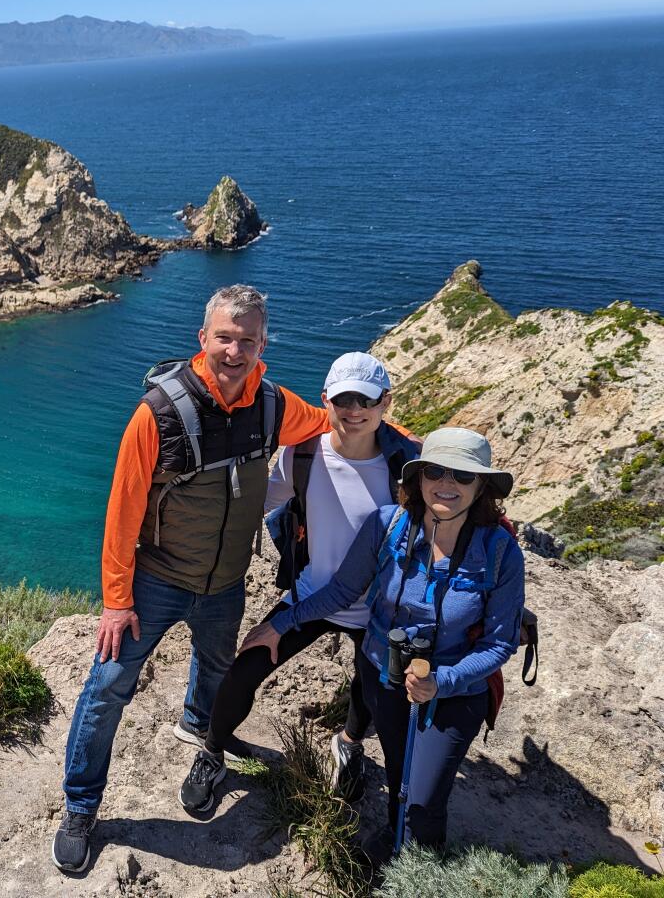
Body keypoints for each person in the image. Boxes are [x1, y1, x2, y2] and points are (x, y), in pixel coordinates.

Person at [51, 285, 334, 874]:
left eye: (248, 340)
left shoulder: (274, 407)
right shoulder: (158, 412)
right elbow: (122, 509)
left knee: (213, 670)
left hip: (226, 583)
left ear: (263, 346)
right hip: (155, 580)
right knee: (107, 689)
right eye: (224, 338)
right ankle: (81, 807)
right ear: (202, 339)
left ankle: (203, 741)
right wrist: (114, 602)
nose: (235, 351)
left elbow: (338, 421)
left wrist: (434, 466)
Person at [246, 427, 525, 854]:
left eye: (463, 477)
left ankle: (413, 864)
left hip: (454, 692)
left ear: (481, 485)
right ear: (418, 477)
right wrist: (282, 623)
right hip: (382, 674)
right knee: (399, 776)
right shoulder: (388, 525)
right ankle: (395, 841)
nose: (447, 485)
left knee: (424, 800)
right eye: (436, 471)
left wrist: (441, 681)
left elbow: (499, 644)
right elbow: (342, 591)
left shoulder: (500, 551)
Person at [178, 352, 420, 813]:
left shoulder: (406, 465)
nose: (354, 411)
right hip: (310, 595)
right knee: (243, 672)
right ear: (325, 399)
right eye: (343, 400)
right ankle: (212, 749)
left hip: (379, 609)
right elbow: (257, 502)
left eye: (365, 401)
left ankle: (349, 743)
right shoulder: (304, 453)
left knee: (370, 688)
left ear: (385, 402)